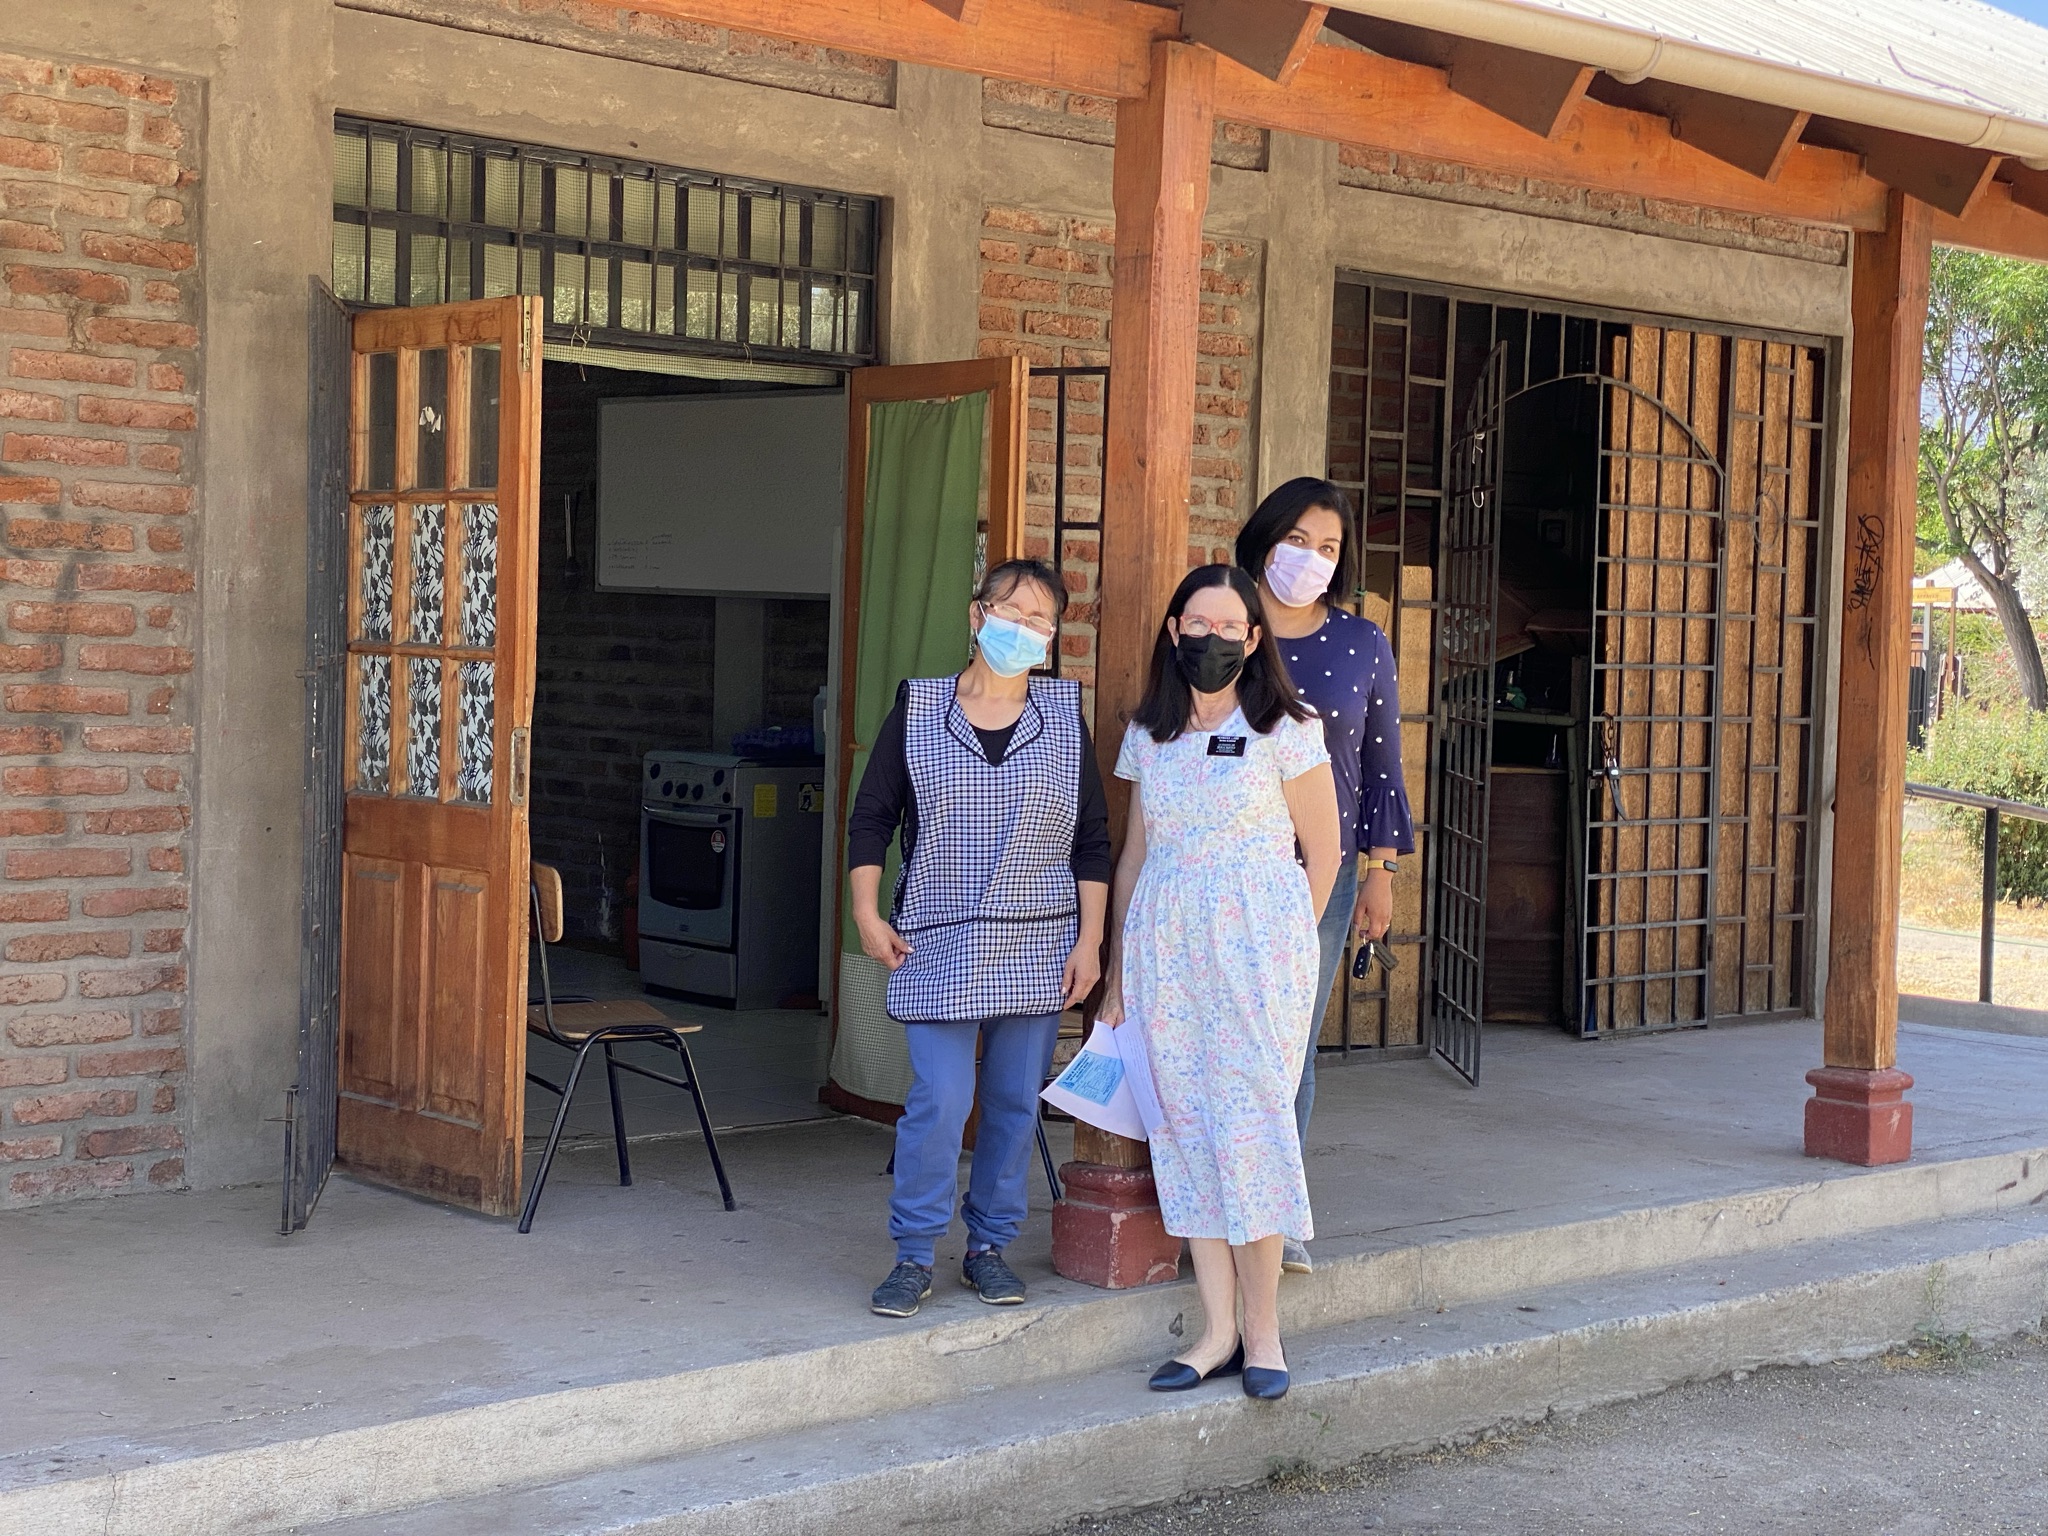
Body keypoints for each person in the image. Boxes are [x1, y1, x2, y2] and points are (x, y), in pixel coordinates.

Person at [1100, 565, 1341, 1402]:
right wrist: (1119, 974)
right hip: (1166, 955)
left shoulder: (1288, 728)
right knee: (1186, 1134)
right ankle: (1216, 1332)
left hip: (1256, 961)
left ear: (1253, 638)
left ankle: (1264, 1330)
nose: (1211, 637)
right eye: (1196, 624)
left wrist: (1288, 946)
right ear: (1174, 632)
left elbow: (1325, 851)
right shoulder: (1149, 735)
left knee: (1253, 1133)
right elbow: (1134, 857)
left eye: (1228, 625)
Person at [847, 558, 1110, 1319]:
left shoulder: (1063, 716)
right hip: (935, 939)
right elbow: (872, 817)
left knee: (1012, 1102)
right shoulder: (920, 708)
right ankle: (914, 1252)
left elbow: (1092, 840)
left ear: (1053, 635)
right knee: (940, 1099)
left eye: (1039, 619)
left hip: (1038, 940)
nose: (1023, 628)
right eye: (1010, 611)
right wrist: (867, 912)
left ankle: (989, 1247)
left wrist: (1090, 941)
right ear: (976, 615)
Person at [1236, 478, 1414, 1277]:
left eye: (1329, 548)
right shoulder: (1224, 621)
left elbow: (1381, 767)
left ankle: (1277, 1218)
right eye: (1298, 541)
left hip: (1322, 872)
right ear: (1266, 539)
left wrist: (1381, 872)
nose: (1311, 559)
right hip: (1221, 863)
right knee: (1215, 1040)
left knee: (1288, 1043)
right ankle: (1207, 1213)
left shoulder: (1361, 642)